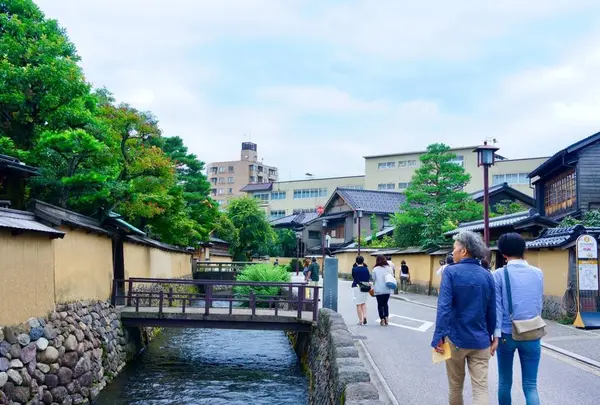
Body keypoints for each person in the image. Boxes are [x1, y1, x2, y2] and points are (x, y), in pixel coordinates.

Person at [431, 230, 496, 405]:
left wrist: (438, 336)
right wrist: (492, 336)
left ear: (464, 250)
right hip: (481, 340)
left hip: (456, 339)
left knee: (455, 387)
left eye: (454, 248)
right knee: (480, 389)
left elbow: (444, 307)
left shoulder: (451, 273)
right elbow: (491, 309)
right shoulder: (487, 275)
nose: (453, 252)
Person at [492, 233, 543, 405]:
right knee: (531, 385)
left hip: (507, 334)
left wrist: (495, 336)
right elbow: (538, 303)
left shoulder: (498, 274)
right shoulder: (538, 273)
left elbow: (497, 308)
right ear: (524, 250)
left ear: (503, 254)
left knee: (505, 382)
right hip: (533, 332)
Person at [372, 255, 394, 326]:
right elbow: (392, 277)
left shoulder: (375, 269)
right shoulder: (389, 268)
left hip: (378, 289)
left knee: (380, 304)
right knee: (385, 304)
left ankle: (382, 319)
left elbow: (373, 279)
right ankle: (386, 317)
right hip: (387, 289)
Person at [351, 256, 370, 325]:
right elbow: (368, 277)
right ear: (363, 261)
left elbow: (353, 277)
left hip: (357, 287)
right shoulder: (366, 269)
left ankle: (360, 320)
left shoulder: (354, 269)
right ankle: (364, 316)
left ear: (356, 262)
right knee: (363, 302)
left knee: (358, 304)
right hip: (365, 287)